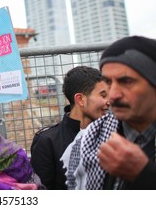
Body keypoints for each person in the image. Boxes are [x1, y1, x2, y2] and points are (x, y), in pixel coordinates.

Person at [63, 36, 156, 189]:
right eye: (108, 82)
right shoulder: (89, 139)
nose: (113, 95)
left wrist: (144, 174)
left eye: (126, 81)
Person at [30, 66, 110, 189]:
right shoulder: (47, 141)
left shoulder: (113, 135)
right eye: (103, 95)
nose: (109, 102)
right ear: (80, 99)